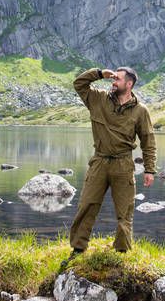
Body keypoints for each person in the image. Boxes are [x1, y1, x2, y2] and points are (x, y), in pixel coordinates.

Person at [64, 66, 156, 264]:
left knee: (125, 211)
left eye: (118, 79)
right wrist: (98, 74)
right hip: (99, 162)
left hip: (123, 165)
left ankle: (121, 253)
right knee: (87, 205)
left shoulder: (141, 111)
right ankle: (78, 249)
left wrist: (149, 169)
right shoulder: (97, 99)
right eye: (112, 78)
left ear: (129, 84)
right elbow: (79, 84)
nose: (113, 82)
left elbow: (148, 140)